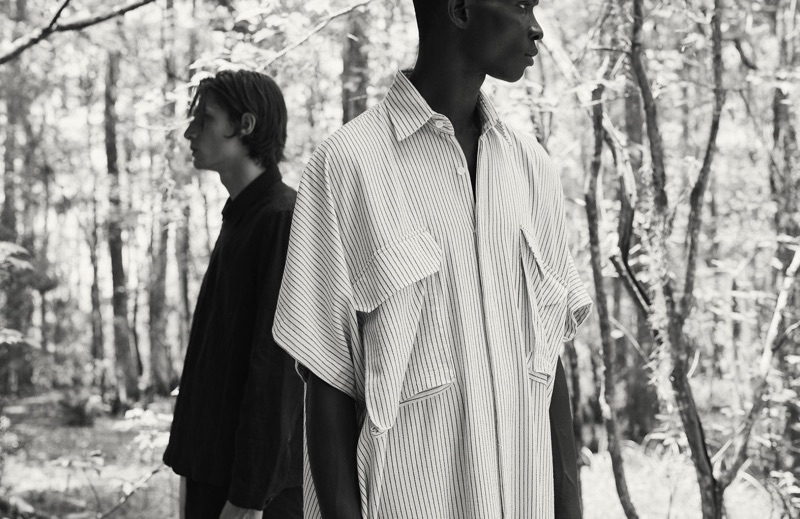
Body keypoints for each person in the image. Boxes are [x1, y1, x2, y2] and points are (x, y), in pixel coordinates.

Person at [273, 0, 592, 517]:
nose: (535, 28)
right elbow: (326, 384)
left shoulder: (532, 167)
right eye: (519, 5)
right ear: (461, 9)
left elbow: (548, 368)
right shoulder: (347, 167)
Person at [163, 69, 303, 519]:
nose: (190, 130)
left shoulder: (281, 219)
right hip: (214, 474)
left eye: (204, 118)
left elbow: (276, 368)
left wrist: (247, 498)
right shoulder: (242, 217)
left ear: (244, 126)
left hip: (253, 493)